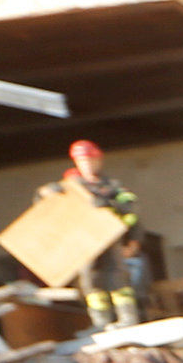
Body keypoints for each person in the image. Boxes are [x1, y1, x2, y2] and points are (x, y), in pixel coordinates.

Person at [67, 139, 140, 328]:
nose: (87, 165)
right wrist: (47, 192)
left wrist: (133, 242)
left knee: (118, 278)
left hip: (112, 240)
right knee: (91, 281)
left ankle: (127, 319)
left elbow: (131, 212)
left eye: (91, 160)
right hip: (86, 242)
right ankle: (100, 322)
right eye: (83, 161)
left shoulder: (113, 187)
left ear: (99, 161)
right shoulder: (71, 187)